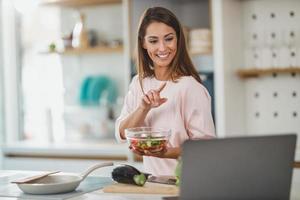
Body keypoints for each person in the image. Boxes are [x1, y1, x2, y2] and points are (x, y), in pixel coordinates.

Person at [115, 7, 215, 176]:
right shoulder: (138, 83)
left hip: (186, 184)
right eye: (153, 41)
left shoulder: (190, 87)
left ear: (178, 40)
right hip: (153, 185)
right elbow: (122, 134)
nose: (162, 48)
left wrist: (163, 152)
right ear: (143, 43)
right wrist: (143, 108)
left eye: (169, 39)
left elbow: (205, 147)